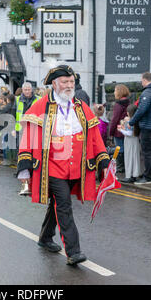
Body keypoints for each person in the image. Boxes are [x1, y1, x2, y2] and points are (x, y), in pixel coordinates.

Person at [16, 65, 111, 266]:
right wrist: (24, 167)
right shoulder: (41, 106)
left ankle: (45, 237)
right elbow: (29, 137)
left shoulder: (80, 107)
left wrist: (103, 162)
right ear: (54, 84)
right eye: (65, 82)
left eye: (71, 82)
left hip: (76, 167)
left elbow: (94, 137)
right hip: (52, 167)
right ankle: (74, 251)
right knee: (64, 205)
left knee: (59, 204)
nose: (69, 86)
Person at [128, 72, 151, 185]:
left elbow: (141, 110)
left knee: (148, 153)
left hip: (148, 127)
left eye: (142, 80)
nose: (141, 82)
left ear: (145, 80)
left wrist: (132, 121)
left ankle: (148, 177)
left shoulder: (147, 93)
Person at [12, 82, 40, 159]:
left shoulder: (38, 99)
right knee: (20, 149)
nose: (27, 91)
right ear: (22, 90)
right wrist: (13, 129)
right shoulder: (17, 100)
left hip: (33, 128)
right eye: (25, 90)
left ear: (31, 90)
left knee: (32, 149)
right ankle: (20, 167)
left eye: (28, 89)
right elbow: (13, 115)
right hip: (20, 129)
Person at [109, 84, 131, 173]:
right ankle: (125, 166)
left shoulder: (118, 105)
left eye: (115, 90)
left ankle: (120, 167)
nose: (114, 92)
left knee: (119, 148)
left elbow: (115, 119)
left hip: (118, 130)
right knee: (125, 148)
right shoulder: (128, 102)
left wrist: (111, 132)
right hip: (126, 129)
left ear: (119, 92)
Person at [118, 104, 141, 183]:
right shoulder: (137, 120)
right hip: (136, 140)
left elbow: (129, 133)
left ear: (129, 113)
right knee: (135, 157)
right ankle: (135, 174)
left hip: (129, 141)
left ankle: (129, 176)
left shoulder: (129, 121)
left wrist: (121, 130)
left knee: (128, 157)